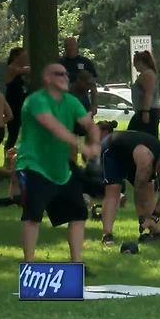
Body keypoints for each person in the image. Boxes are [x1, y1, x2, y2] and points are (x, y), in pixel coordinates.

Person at [16, 63, 101, 266]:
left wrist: (95, 144)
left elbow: (89, 124)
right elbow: (53, 127)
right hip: (33, 165)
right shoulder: (36, 101)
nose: (64, 77)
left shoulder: (71, 101)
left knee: (79, 213)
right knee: (33, 215)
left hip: (61, 168)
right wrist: (82, 146)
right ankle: (29, 265)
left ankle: (77, 264)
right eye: (58, 74)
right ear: (47, 79)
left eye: (66, 73)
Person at [99, 123, 160, 245]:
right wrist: (142, 219)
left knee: (149, 190)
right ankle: (107, 235)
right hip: (112, 150)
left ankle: (157, 231)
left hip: (132, 154)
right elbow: (138, 189)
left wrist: (155, 215)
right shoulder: (146, 159)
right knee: (114, 190)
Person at [128, 51, 160, 137]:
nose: (134, 65)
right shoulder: (144, 74)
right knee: (136, 136)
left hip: (150, 110)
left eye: (135, 62)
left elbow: (149, 94)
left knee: (142, 137)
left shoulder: (148, 74)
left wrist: (145, 112)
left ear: (141, 62)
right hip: (144, 110)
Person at [4, 47, 30, 157]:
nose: (26, 58)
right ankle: (8, 157)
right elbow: (27, 70)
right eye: (23, 56)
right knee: (13, 134)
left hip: (22, 107)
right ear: (16, 57)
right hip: (13, 107)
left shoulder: (19, 70)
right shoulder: (12, 68)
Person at [69, 71, 97, 161]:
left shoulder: (86, 89)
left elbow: (94, 92)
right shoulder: (69, 90)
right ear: (79, 81)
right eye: (87, 84)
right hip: (72, 122)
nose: (89, 87)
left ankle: (89, 164)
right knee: (72, 149)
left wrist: (94, 106)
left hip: (86, 119)